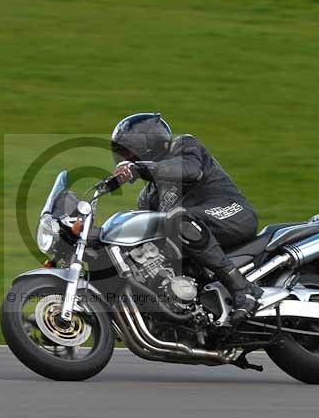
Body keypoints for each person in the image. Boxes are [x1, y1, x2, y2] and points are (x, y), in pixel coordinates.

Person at [111, 112, 263, 325]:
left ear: (150, 145)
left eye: (129, 153)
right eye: (122, 154)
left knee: (177, 218)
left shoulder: (184, 145)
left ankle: (243, 289)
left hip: (232, 213)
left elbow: (191, 171)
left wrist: (143, 168)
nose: (126, 159)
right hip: (196, 231)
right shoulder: (148, 196)